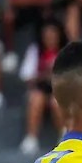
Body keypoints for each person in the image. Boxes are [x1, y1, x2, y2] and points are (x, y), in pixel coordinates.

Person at [19, 19, 66, 155]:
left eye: (53, 35)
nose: (49, 39)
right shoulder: (35, 50)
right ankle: (31, 138)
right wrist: (44, 74)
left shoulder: (67, 52)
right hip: (41, 88)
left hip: (61, 90)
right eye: (46, 36)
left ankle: (64, 136)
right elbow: (27, 77)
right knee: (36, 98)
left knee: (56, 101)